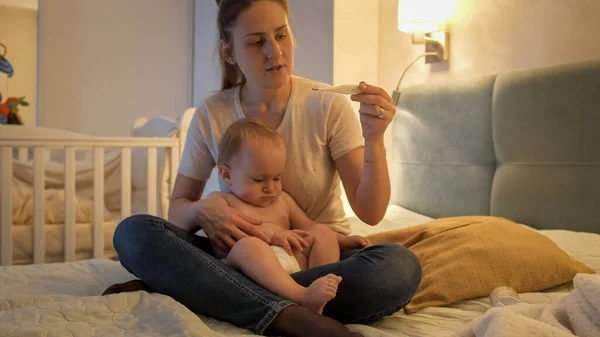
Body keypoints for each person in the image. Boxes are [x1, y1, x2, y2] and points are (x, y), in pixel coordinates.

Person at [104, 0, 422, 336]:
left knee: (400, 268)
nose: (275, 52)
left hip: (315, 261)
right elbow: (177, 215)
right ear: (229, 52)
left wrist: (374, 139)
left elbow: (371, 213)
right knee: (133, 233)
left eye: (282, 35)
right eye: (257, 42)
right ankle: (293, 315)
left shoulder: (327, 105)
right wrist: (203, 212)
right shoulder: (212, 113)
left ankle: (213, 291)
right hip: (240, 257)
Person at [210, 117, 344, 314]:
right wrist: (273, 235)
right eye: (258, 179)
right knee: (248, 246)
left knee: (322, 231)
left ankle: (320, 291)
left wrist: (342, 240)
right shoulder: (221, 202)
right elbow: (229, 236)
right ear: (227, 175)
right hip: (249, 273)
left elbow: (308, 227)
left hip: (296, 271)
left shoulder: (282, 200)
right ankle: (302, 297)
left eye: (276, 178)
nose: (270, 188)